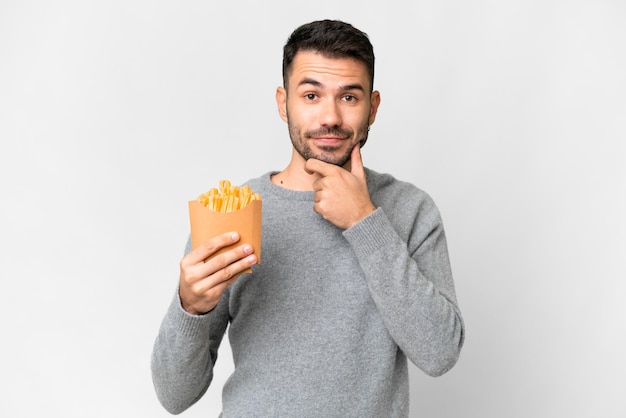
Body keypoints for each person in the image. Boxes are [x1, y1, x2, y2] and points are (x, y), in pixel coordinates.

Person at [152, 19, 465, 417]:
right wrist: (189, 307)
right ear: (284, 103)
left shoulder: (410, 210)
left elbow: (439, 353)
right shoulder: (233, 210)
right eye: (312, 95)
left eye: (349, 97)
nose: (330, 117)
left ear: (373, 107)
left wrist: (365, 222)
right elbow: (174, 396)